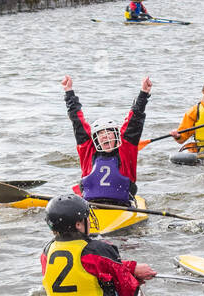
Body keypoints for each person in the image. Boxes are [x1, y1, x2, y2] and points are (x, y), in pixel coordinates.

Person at [40, 194, 155, 296]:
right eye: (86, 218)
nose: (89, 221)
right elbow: (127, 295)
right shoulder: (98, 249)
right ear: (78, 224)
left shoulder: (47, 251)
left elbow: (79, 266)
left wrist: (131, 267)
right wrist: (134, 280)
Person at [62, 74, 150, 207]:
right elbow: (77, 121)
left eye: (109, 132)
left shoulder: (126, 148)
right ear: (95, 139)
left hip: (122, 205)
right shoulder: (87, 149)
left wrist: (143, 93)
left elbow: (135, 119)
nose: (105, 136)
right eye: (101, 134)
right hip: (91, 204)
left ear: (116, 136)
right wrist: (69, 92)